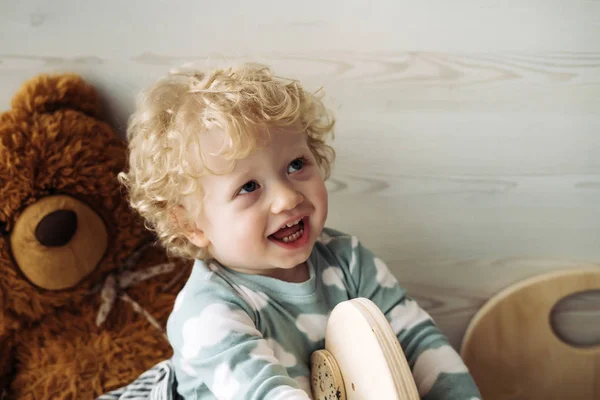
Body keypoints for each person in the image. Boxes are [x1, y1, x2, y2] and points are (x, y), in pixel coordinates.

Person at [120, 63, 482, 400]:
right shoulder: (208, 315)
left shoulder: (348, 261)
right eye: (249, 187)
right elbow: (267, 392)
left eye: (296, 164)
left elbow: (416, 342)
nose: (287, 197)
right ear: (190, 225)